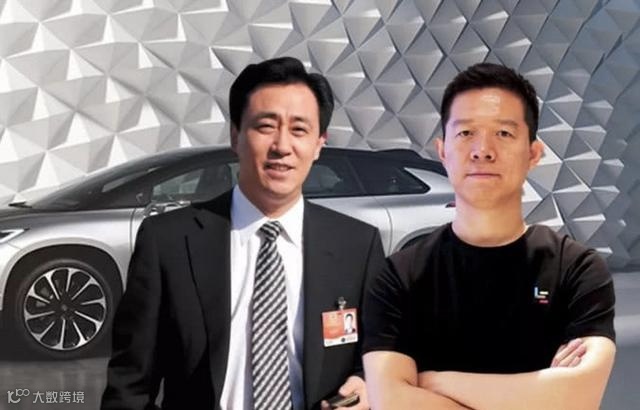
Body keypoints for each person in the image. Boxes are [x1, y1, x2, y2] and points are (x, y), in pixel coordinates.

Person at [102, 57, 385, 410]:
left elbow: (381, 354)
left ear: (318, 144)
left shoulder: (357, 246)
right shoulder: (168, 242)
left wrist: (365, 384)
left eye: (299, 130)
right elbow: (129, 386)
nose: (282, 146)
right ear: (235, 135)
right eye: (265, 126)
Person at [362, 62, 616, 409]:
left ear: (533, 154)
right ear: (443, 152)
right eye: (466, 133)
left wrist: (435, 382)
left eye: (504, 133)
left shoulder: (577, 270)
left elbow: (578, 398)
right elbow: (392, 402)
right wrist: (539, 395)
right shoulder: (399, 276)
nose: (483, 149)